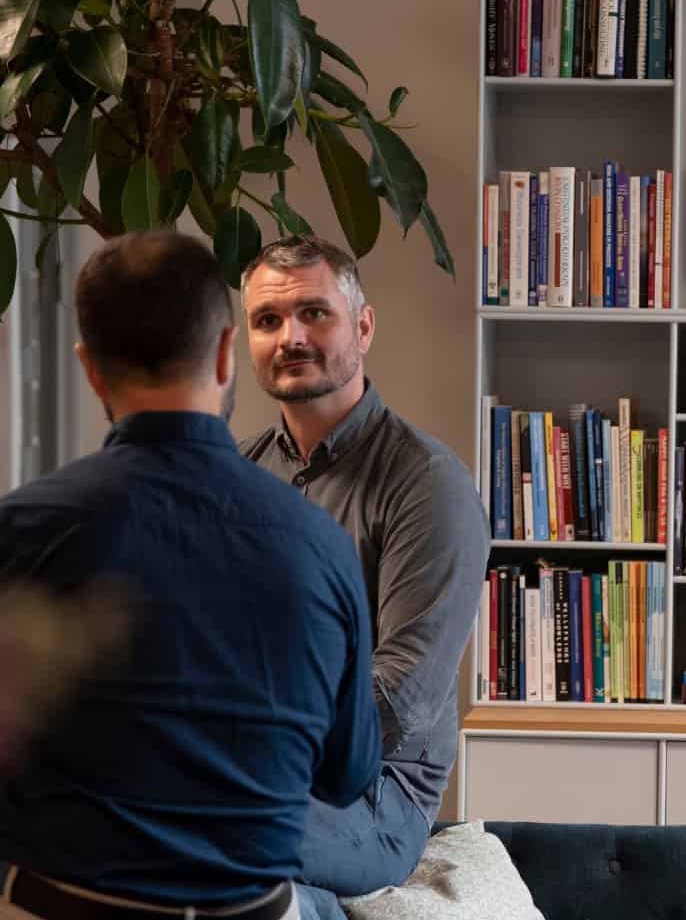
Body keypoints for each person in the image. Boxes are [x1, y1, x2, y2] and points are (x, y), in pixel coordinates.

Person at [0, 231, 381, 920]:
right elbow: (346, 774)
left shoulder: (19, 533)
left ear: (90, 367)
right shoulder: (322, 548)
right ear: (228, 351)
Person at [239, 236, 490, 902]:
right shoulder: (234, 474)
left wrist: (250, 753)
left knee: (209, 824)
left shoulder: (426, 483)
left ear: (364, 327)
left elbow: (402, 696)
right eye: (268, 320)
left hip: (373, 797)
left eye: (313, 313)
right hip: (244, 768)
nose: (290, 337)